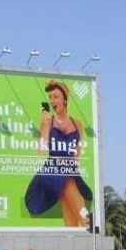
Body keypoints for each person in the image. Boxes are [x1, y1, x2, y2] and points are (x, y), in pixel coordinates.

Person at [24, 80, 94, 227]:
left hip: (69, 170)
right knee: (67, 184)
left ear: (64, 98)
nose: (52, 101)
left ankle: (78, 240)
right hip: (52, 171)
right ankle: (89, 225)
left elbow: (77, 155)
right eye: (50, 98)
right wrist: (43, 125)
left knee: (68, 205)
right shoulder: (48, 122)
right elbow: (40, 152)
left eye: (55, 96)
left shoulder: (77, 124)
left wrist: (70, 164)